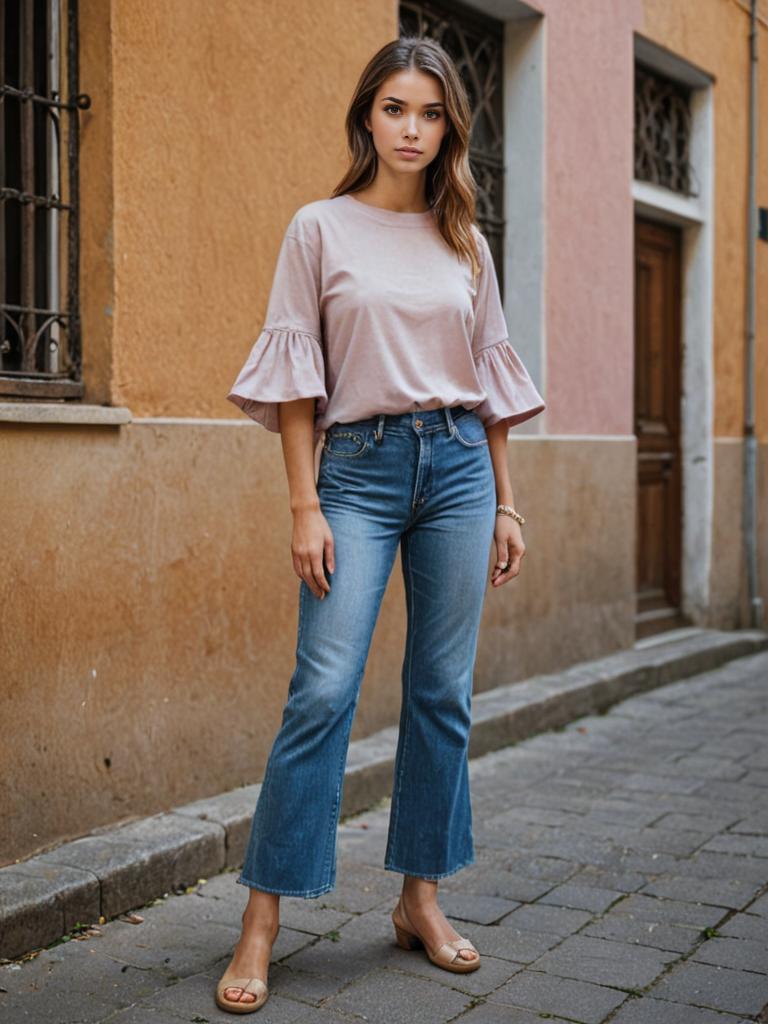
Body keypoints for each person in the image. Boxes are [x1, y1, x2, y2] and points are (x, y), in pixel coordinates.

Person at [215, 34, 545, 1014]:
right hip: (353, 474)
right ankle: (262, 920)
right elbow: (296, 383)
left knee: (443, 692)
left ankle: (420, 898)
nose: (413, 128)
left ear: (450, 128)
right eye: (396, 108)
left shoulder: (464, 238)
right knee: (321, 691)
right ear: (367, 115)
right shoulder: (319, 229)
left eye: (431, 113)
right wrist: (304, 503)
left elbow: (487, 379)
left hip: (456, 472)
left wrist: (509, 497)